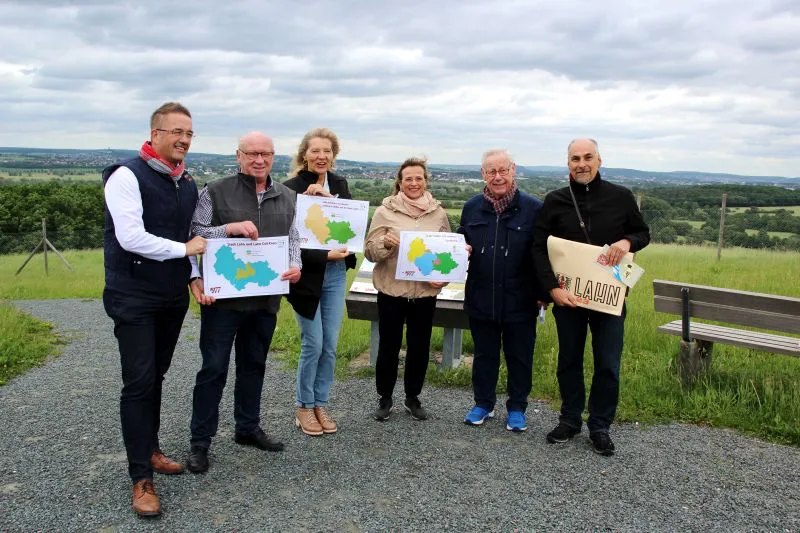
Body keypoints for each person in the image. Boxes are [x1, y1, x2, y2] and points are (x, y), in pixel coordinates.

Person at [102, 102, 207, 517]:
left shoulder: (187, 181)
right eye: (176, 132)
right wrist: (184, 251)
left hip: (171, 295)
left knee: (156, 376)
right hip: (133, 295)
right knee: (139, 381)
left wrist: (195, 272)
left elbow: (193, 236)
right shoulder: (126, 175)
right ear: (155, 133)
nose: (183, 139)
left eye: (189, 134)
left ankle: (152, 448)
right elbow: (131, 237)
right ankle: (140, 477)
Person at [185, 131, 302, 473]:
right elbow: (195, 234)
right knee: (213, 369)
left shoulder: (287, 196)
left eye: (265, 154)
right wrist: (230, 228)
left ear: (273, 156)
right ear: (238, 156)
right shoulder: (216, 190)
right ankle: (200, 442)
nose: (258, 160)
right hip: (224, 301)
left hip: (265, 300)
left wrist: (296, 266)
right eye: (251, 154)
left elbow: (293, 238)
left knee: (254, 365)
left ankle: (247, 429)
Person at [532, 138, 650, 456]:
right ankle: (570, 420)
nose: (581, 164)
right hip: (568, 297)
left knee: (608, 364)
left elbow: (643, 233)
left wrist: (627, 242)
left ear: (599, 160)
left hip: (608, 297)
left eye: (588, 157)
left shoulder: (621, 197)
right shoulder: (554, 200)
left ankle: (600, 426)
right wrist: (551, 289)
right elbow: (538, 246)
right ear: (567, 163)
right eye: (575, 158)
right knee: (568, 360)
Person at [458, 149, 544, 432]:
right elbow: (460, 248)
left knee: (520, 357)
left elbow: (543, 255)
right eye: (491, 171)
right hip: (481, 297)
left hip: (521, 299)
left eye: (502, 170)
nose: (497, 177)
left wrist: (544, 293)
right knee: (484, 356)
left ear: (513, 170)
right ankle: (483, 403)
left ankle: (517, 408)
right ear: (483, 174)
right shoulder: (471, 208)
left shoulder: (533, 209)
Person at [365, 157, 451, 421]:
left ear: (426, 181)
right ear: (400, 182)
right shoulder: (384, 212)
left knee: (420, 348)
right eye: (408, 179)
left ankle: (413, 398)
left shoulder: (439, 213)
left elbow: (446, 253)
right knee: (388, 347)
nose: (414, 183)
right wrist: (385, 245)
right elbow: (369, 252)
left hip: (425, 294)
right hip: (392, 291)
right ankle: (385, 398)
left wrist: (443, 279)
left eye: (419, 178)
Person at [283, 128, 355, 436]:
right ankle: (303, 406)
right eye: (315, 151)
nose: (321, 156)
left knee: (330, 346)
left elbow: (349, 226)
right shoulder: (289, 189)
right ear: (304, 155)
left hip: (336, 276)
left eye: (327, 151)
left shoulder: (340, 184)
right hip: (306, 276)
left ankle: (319, 403)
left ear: (333, 156)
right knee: (313, 343)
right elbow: (288, 240)